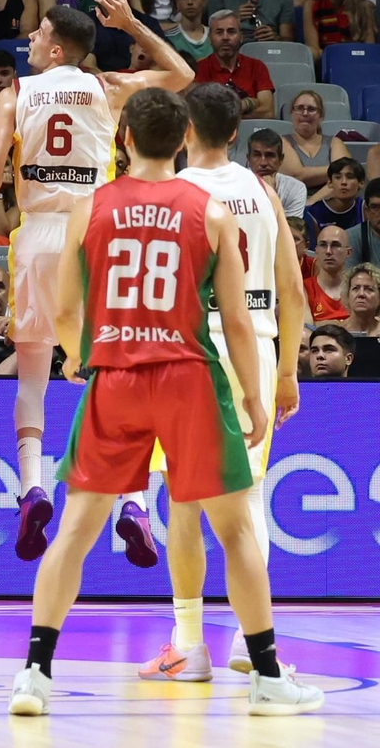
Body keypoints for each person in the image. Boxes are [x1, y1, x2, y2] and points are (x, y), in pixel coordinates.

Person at [8, 86, 322, 719]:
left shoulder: (89, 207)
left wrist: (77, 354)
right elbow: (234, 319)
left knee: (74, 531)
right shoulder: (210, 210)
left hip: (116, 375)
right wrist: (256, 395)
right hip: (187, 379)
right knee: (235, 530)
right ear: (182, 141)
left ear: (123, 139)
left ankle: (35, 676)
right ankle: (265, 677)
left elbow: (67, 307)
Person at [0, 0, 194, 564]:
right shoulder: (106, 87)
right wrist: (132, 25)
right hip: (98, 235)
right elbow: (182, 74)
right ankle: (134, 503)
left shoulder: (14, 93)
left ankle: (31, 490)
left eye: (37, 32)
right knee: (119, 377)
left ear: (56, 48)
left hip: (40, 238)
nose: (27, 39)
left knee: (31, 376)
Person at [138, 83, 305, 682]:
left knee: (185, 502)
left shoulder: (173, 192)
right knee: (249, 500)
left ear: (184, 130)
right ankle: (247, 635)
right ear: (236, 132)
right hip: (256, 348)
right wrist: (286, 370)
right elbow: (292, 288)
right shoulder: (263, 191)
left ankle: (189, 643)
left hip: (190, 350)